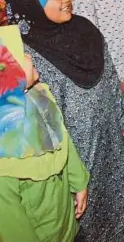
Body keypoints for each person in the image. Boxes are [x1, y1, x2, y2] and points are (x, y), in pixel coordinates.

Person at [4, 0, 124, 242]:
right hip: (73, 164)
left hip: (112, 150)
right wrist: (70, 175)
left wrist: (121, 121)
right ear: (29, 2)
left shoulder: (86, 30)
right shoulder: (21, 58)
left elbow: (110, 78)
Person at [0, 41, 89, 242]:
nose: (30, 57)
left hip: (66, 222)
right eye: (21, 54)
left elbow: (63, 141)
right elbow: (11, 224)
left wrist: (79, 182)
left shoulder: (37, 97)